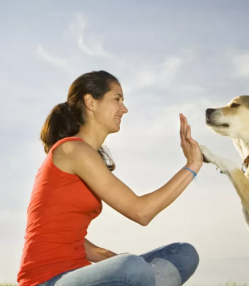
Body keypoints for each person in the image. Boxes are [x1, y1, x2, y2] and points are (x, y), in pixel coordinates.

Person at [17, 70, 203, 286]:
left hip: (77, 274)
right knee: (133, 268)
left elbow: (59, 231)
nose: (124, 109)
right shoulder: (73, 150)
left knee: (184, 254)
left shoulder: (84, 154)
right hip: (46, 281)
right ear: (90, 102)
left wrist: (107, 257)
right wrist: (192, 165)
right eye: (117, 99)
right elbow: (141, 211)